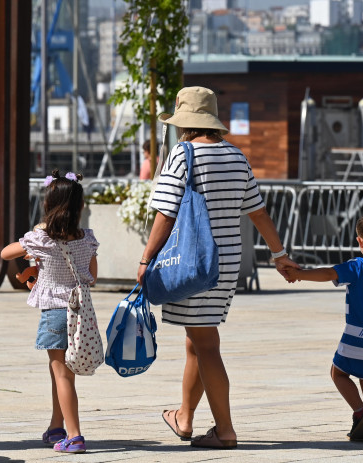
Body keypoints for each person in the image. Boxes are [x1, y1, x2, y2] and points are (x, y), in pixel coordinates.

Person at [137, 86, 299, 449]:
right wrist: (279, 254)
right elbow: (257, 212)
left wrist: (147, 258)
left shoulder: (183, 155)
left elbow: (165, 214)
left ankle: (225, 429)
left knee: (206, 344)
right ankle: (184, 417)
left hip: (191, 263)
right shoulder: (237, 157)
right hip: (223, 266)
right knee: (198, 340)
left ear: (185, 123)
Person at [1, 170, 99, 454]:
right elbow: (92, 276)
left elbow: (6, 253)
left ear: (48, 204)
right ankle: (57, 425)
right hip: (79, 312)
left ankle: (74, 436)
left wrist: (37, 252)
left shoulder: (41, 238)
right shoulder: (87, 238)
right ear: (80, 206)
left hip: (55, 313)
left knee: (62, 374)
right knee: (61, 372)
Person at [284, 211, 363, 443]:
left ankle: (360, 412)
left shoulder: (357, 267)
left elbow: (329, 273)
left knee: (337, 373)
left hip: (356, 336)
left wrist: (299, 275)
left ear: (359, 241)